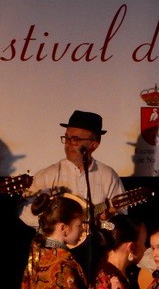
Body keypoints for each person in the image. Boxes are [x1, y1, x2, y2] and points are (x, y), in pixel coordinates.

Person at [19, 111, 126, 276]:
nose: (68, 144)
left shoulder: (108, 176)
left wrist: (105, 221)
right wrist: (52, 224)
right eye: (67, 138)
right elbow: (24, 210)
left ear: (94, 144)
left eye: (75, 139)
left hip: (94, 256)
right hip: (53, 258)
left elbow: (120, 220)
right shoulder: (49, 175)